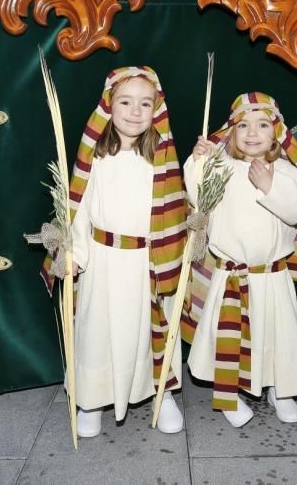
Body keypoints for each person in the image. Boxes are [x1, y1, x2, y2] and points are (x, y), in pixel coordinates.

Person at [41, 66, 187, 438]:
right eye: (125, 102)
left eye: (145, 103)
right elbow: (80, 211)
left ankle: (161, 393)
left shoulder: (162, 161)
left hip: (146, 264)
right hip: (103, 264)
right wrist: (74, 256)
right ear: (108, 105)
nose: (135, 111)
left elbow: (179, 205)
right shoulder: (95, 159)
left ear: (157, 109)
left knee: (149, 329)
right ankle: (91, 399)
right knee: (96, 332)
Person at [182, 92, 297, 428]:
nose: (252, 132)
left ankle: (281, 389)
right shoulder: (222, 166)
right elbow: (195, 194)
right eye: (243, 125)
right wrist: (198, 159)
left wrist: (269, 186)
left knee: (278, 336)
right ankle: (229, 396)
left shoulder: (287, 171)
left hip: (272, 276)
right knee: (226, 337)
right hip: (229, 276)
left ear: (277, 131)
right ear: (230, 131)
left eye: (262, 124)